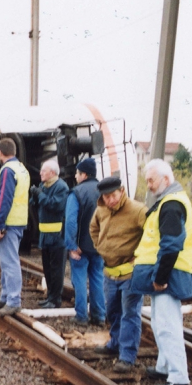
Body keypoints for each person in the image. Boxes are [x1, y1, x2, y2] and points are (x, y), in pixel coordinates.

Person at [131, 158, 192, 385]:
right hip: (165, 274)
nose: (148, 185)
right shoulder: (167, 202)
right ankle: (165, 366)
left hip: (169, 275)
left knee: (168, 325)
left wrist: (160, 276)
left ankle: (179, 377)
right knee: (160, 322)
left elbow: (170, 245)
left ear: (166, 180)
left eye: (151, 180)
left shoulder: (170, 204)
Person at [89, 177, 147, 373]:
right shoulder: (101, 210)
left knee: (130, 314)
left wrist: (140, 257)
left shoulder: (138, 210)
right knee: (112, 311)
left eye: (113, 195)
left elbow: (151, 234)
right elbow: (93, 228)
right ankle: (115, 343)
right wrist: (100, 247)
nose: (110, 200)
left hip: (131, 274)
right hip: (109, 273)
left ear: (121, 191)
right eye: (106, 197)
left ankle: (127, 356)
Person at [0, 137, 30, 317]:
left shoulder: (7, 170)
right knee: (7, 261)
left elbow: (4, 199)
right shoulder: (22, 169)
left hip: (9, 223)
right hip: (18, 221)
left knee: (10, 262)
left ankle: (13, 300)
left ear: (0, 153)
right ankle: (6, 296)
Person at [63, 158, 105, 327]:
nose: (75, 175)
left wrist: (72, 245)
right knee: (97, 279)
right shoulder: (104, 192)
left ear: (84, 174)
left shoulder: (77, 192)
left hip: (80, 246)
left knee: (79, 280)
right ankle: (99, 316)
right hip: (99, 245)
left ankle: (81, 316)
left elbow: (71, 221)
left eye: (77, 173)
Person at [29, 158, 69, 308]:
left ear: (52, 172)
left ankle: (55, 299)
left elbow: (55, 205)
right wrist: (34, 196)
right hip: (45, 237)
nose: (40, 173)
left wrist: (40, 195)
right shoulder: (44, 186)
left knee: (56, 270)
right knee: (47, 269)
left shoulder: (61, 187)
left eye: (43, 171)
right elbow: (36, 204)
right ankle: (50, 296)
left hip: (57, 237)